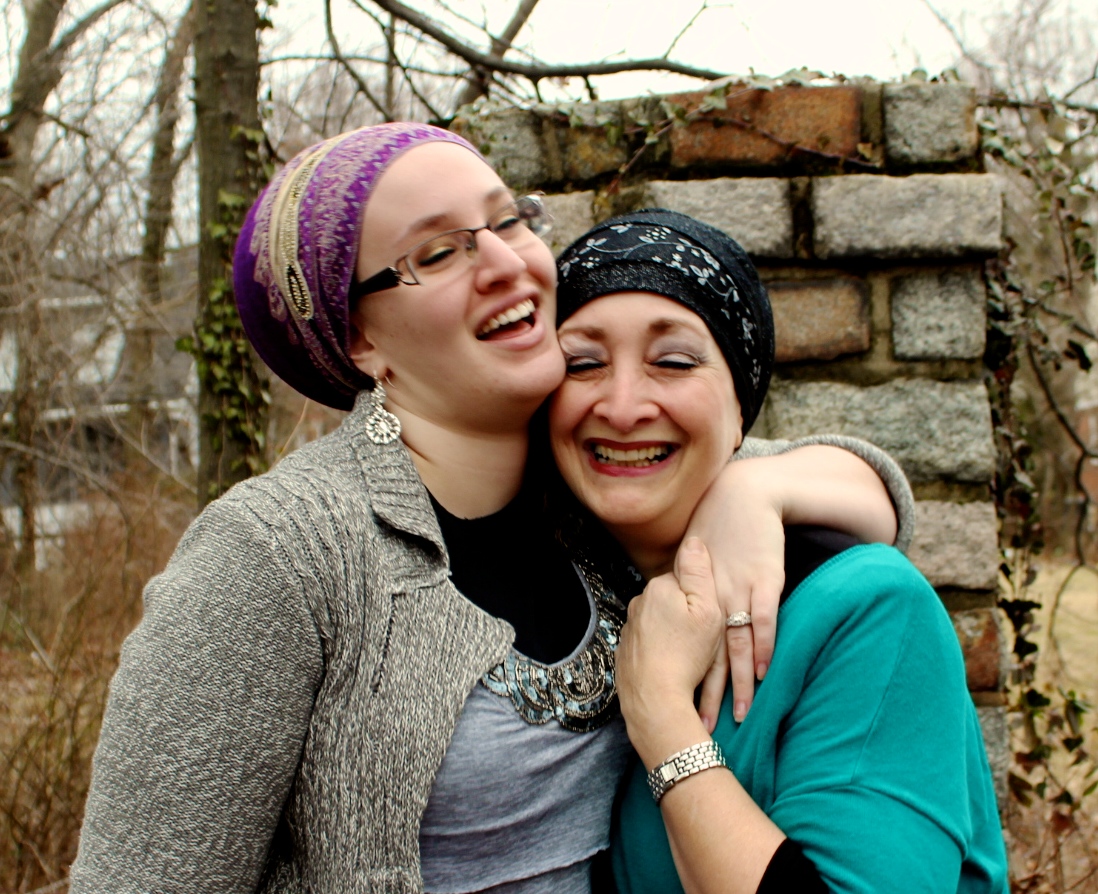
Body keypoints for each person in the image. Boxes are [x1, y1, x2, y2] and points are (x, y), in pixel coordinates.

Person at [70, 124, 912, 893]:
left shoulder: (587, 484)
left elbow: (867, 491)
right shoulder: (279, 552)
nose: (508, 263)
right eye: (438, 253)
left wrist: (751, 490)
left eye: (509, 221)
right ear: (360, 339)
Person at [547, 209, 1008, 893]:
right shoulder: (557, 590)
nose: (622, 405)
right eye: (582, 364)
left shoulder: (867, 610)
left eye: (673, 362)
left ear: (742, 408)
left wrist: (661, 714)